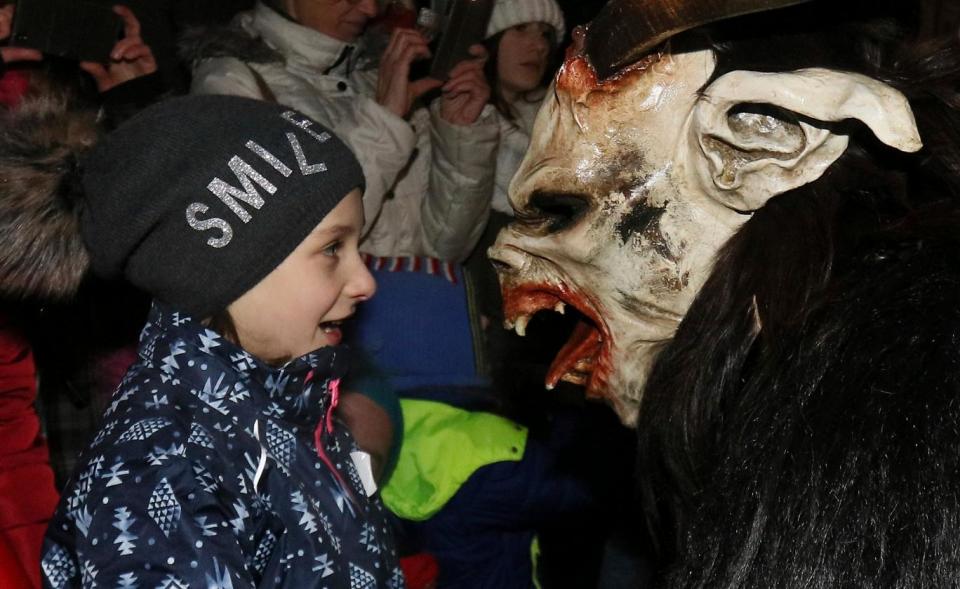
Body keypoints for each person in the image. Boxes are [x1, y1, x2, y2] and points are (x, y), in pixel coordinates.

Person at [36, 95, 403, 587]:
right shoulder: (158, 481)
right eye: (333, 249)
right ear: (220, 273)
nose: (365, 282)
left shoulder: (290, 403)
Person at [184, 0, 499, 261]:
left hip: (409, 323)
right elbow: (291, 244)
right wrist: (385, 120)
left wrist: (459, 135)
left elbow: (444, 249)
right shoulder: (229, 84)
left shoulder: (377, 76)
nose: (370, 8)